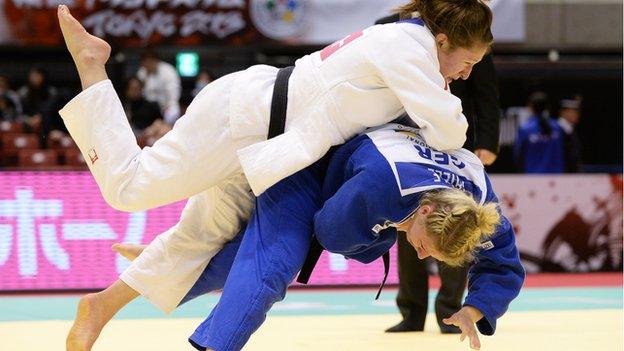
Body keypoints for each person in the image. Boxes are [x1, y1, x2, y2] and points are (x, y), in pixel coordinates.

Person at [66, 124, 524, 351]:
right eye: (425, 243)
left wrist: (476, 304)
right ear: (424, 210)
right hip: (306, 167)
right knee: (270, 269)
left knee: (256, 261)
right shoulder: (385, 188)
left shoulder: (481, 202)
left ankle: (113, 296)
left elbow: (503, 262)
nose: (421, 253)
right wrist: (391, 232)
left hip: (349, 174)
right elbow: (328, 232)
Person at [57, 0, 492, 215]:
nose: (467, 74)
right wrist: (445, 101)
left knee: (217, 225)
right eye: (468, 62)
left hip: (255, 111)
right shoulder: (410, 50)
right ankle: (92, 66)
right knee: (127, 189)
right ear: (442, 41)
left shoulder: (404, 41)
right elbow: (452, 132)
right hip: (248, 119)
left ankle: (146, 267)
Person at [375, 7, 502, 334]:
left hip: (453, 146)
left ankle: (450, 309)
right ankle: (411, 312)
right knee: (408, 229)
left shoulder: (464, 36)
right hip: (401, 143)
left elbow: (485, 94)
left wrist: (487, 141)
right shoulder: (388, 28)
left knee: (454, 226)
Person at [514, 92, 565, 173]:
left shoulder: (525, 129)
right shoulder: (557, 127)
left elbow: (518, 155)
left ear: (531, 107)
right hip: (556, 177)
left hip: (532, 177)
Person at [136, 49, 181, 124]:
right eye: (145, 62)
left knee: (173, 110)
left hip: (166, 106)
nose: (147, 64)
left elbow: (173, 93)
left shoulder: (168, 71)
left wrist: (168, 106)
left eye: (150, 61)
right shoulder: (142, 72)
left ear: (156, 60)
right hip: (149, 107)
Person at [557, 98, 582, 172]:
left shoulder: (570, 130)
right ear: (564, 112)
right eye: (574, 112)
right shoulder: (558, 130)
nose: (577, 115)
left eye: (577, 112)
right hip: (562, 174)